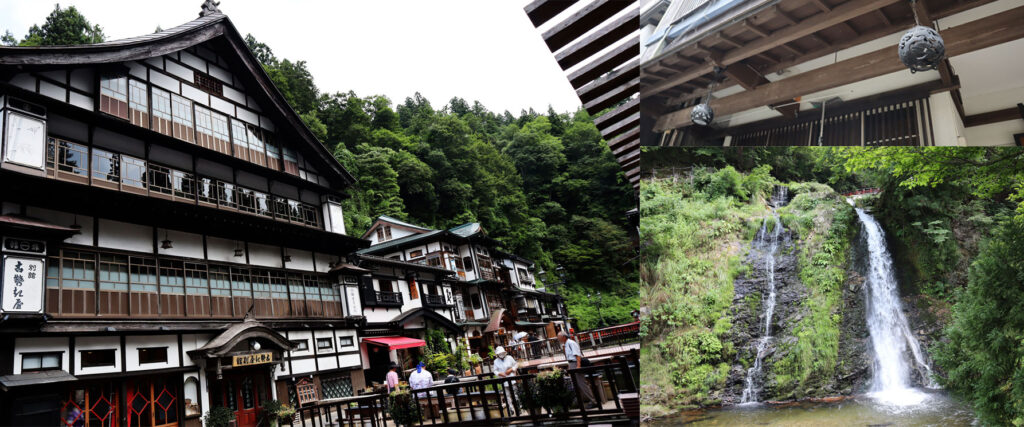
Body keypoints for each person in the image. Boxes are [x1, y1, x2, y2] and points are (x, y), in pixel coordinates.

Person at [559, 331, 598, 409]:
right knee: (575, 383)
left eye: (559, 337)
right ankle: (579, 401)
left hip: (575, 363)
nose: (558, 339)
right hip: (572, 363)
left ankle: (593, 401)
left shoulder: (571, 343)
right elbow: (570, 357)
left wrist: (578, 365)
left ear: (563, 337)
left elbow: (577, 355)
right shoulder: (566, 344)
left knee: (581, 383)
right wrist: (569, 366)